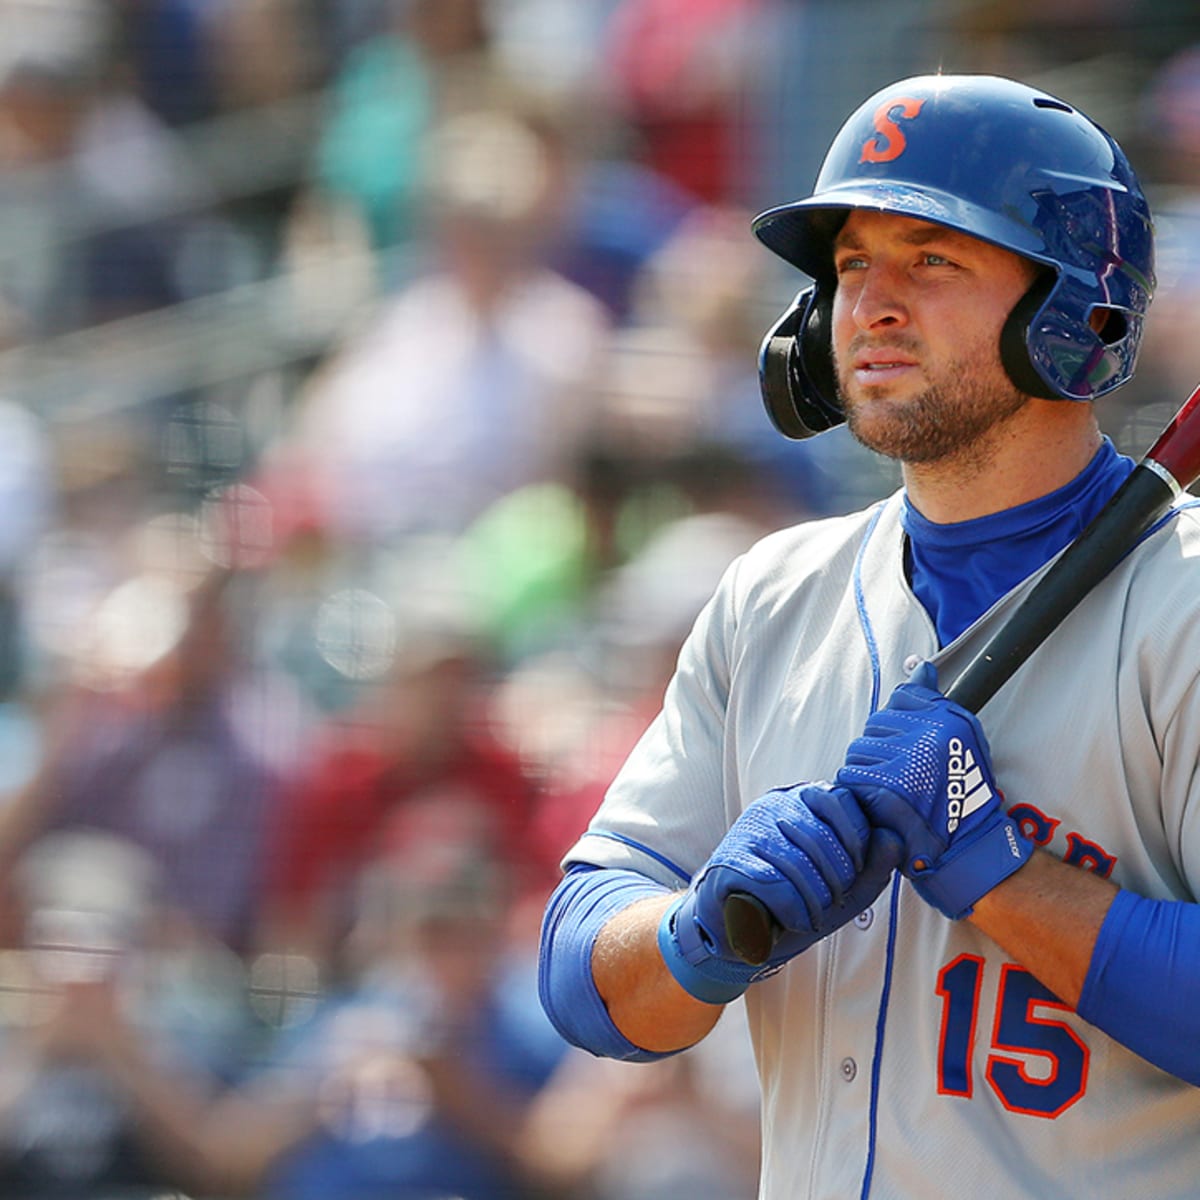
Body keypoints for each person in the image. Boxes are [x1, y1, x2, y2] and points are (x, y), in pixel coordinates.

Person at [538, 73, 1200, 1199]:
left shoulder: (1183, 604)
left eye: (931, 258)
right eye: (850, 265)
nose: (871, 305)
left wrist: (994, 872)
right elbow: (578, 968)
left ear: (1071, 306)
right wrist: (698, 935)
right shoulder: (771, 594)